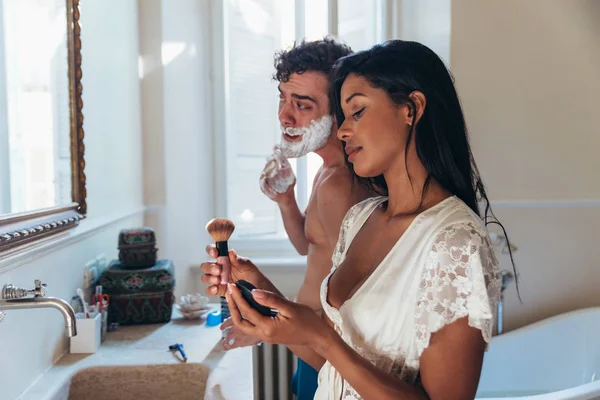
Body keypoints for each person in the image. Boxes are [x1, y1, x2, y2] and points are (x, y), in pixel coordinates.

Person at [203, 40, 511, 399]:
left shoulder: (456, 244)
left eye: (357, 112)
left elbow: (331, 346)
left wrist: (320, 336)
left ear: (411, 108)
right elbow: (333, 367)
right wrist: (254, 284)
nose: (344, 130)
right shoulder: (359, 219)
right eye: (343, 115)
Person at [203, 37, 372, 399]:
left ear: (340, 111)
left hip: (326, 354)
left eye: (303, 104)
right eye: (283, 97)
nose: (285, 115)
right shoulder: (326, 171)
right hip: (308, 347)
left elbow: (352, 305)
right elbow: (307, 246)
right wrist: (285, 201)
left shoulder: (342, 185)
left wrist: (268, 328)